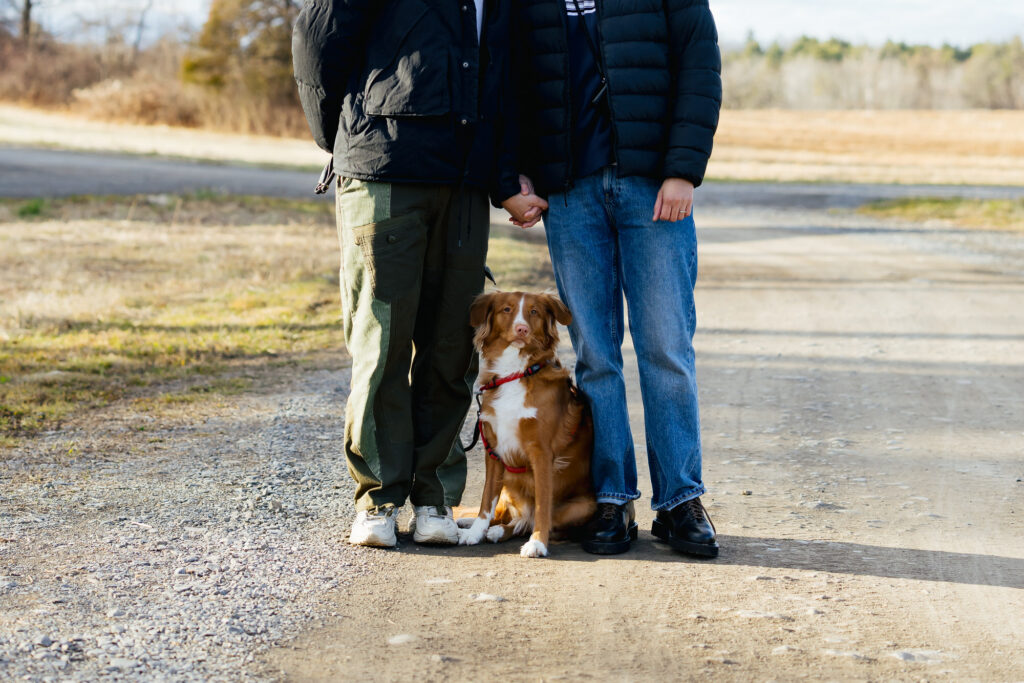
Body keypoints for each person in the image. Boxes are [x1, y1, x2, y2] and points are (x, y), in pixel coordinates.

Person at [292, 0, 548, 547]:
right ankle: (378, 499)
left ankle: (434, 498)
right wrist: (344, 132)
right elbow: (316, 38)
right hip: (385, 173)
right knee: (382, 341)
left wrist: (504, 175)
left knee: (453, 346)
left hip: (464, 183)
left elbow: (505, 77)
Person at [509, 0, 722, 556]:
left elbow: (699, 65)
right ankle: (612, 499)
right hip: (570, 191)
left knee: (666, 348)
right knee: (596, 356)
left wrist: (683, 169)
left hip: (653, 185)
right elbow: (511, 81)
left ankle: (680, 501)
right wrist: (515, 173)